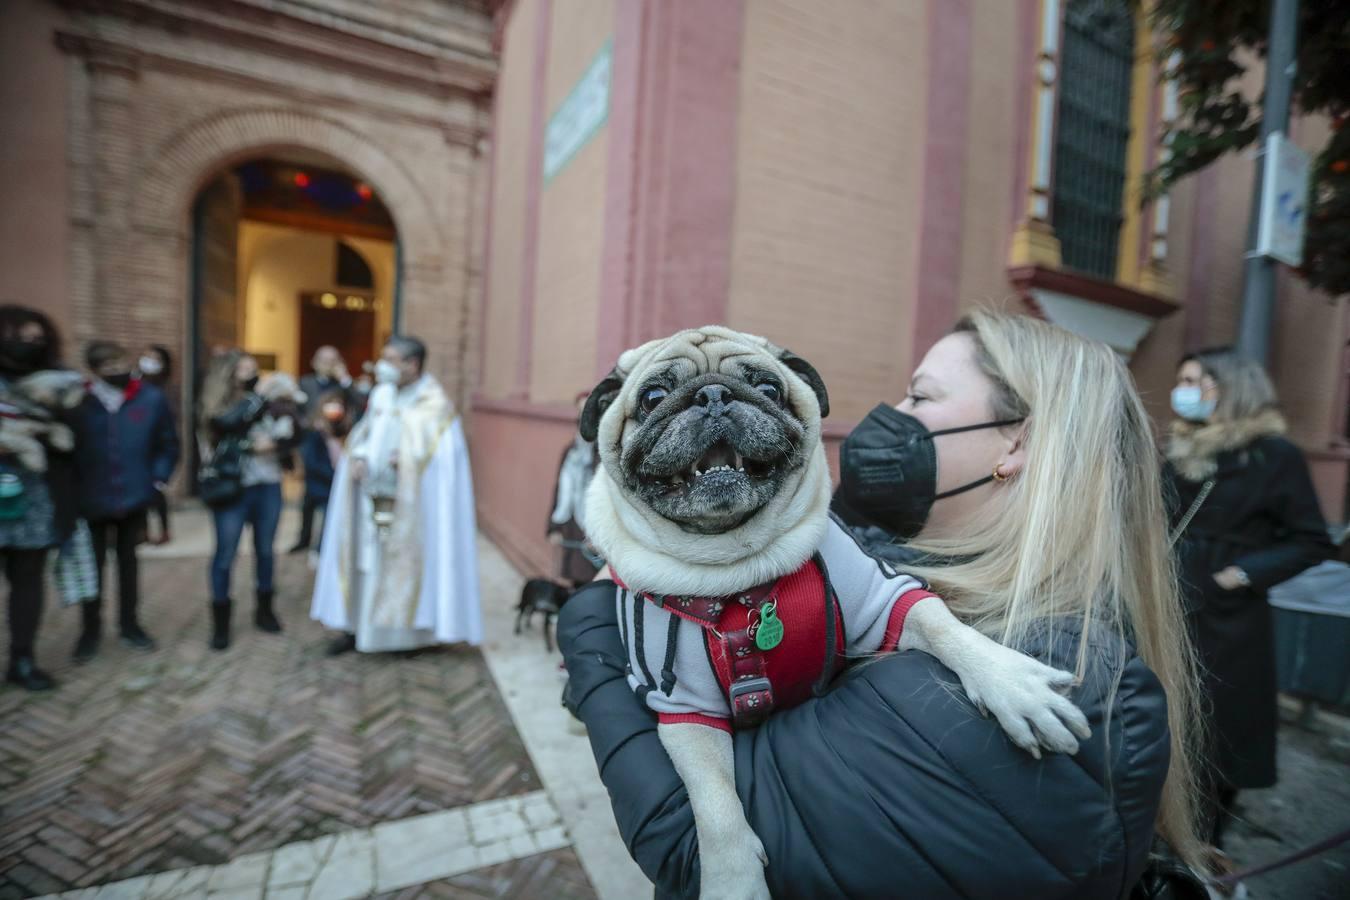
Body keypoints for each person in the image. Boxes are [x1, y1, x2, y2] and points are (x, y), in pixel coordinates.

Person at [559, 312, 1206, 898]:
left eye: (919, 397)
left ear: (1016, 444)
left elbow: (682, 840)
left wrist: (590, 628)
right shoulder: (877, 551)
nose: (890, 414)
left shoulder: (1071, 676)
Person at [1164, 347, 1332, 849]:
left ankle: (1200, 856)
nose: (1184, 391)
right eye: (1183, 380)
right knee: (1160, 728)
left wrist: (1240, 574)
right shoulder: (1179, 449)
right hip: (1166, 603)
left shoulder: (1273, 455)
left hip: (1225, 621)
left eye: (1195, 380)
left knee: (1215, 742)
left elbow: (1311, 539)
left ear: (1230, 387)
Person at [310, 336, 482, 655]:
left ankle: (406, 636)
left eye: (390, 359)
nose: (382, 366)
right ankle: (355, 628)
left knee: (400, 566)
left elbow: (444, 460)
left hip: (410, 508)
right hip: (367, 499)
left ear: (411, 364)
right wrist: (358, 456)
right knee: (362, 562)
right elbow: (366, 433)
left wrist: (407, 460)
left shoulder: (435, 405)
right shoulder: (382, 394)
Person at [71, 341, 179, 660]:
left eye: (120, 362)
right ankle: (90, 630)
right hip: (92, 499)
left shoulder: (151, 398)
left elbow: (168, 444)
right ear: (95, 370)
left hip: (134, 497)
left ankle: (130, 625)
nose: (117, 370)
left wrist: (156, 479)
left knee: (128, 564)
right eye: (108, 366)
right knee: (93, 568)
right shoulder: (80, 401)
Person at [0, 305, 79, 690]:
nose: (29, 344)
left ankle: (22, 659)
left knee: (28, 583)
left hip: (34, 500)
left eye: (36, 338)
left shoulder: (58, 383)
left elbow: (72, 443)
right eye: (19, 337)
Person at [198, 350, 297, 650]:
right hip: (233, 488)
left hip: (268, 485)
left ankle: (265, 610)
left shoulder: (269, 402)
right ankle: (221, 622)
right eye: (244, 370)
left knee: (265, 550)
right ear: (228, 374)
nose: (252, 375)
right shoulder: (219, 403)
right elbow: (228, 425)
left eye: (254, 369)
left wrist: (279, 441)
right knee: (225, 554)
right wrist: (252, 443)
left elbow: (295, 432)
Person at [291, 346, 354, 553]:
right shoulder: (306, 383)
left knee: (329, 493)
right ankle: (304, 537)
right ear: (315, 362)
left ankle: (323, 544)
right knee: (308, 497)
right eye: (324, 359)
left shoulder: (341, 385)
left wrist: (345, 379)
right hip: (312, 441)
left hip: (335, 441)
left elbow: (357, 403)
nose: (328, 364)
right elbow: (296, 412)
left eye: (332, 359)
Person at [546, 391, 602, 587]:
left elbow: (608, 499)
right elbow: (560, 489)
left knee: (591, 586)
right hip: (571, 528)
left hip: (592, 535)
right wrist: (554, 528)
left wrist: (599, 537)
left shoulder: (602, 455)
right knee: (575, 583)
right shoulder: (570, 452)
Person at [298, 390, 350, 562]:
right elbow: (312, 462)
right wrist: (335, 477)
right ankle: (320, 551)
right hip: (323, 487)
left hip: (340, 484)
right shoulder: (315, 433)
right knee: (328, 518)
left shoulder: (346, 431)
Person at [136, 344, 175, 544]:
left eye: (155, 359)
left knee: (156, 492)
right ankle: (141, 530)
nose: (149, 362)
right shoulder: (133, 384)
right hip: (137, 448)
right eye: (146, 356)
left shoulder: (163, 391)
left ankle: (164, 529)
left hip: (155, 449)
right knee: (140, 493)